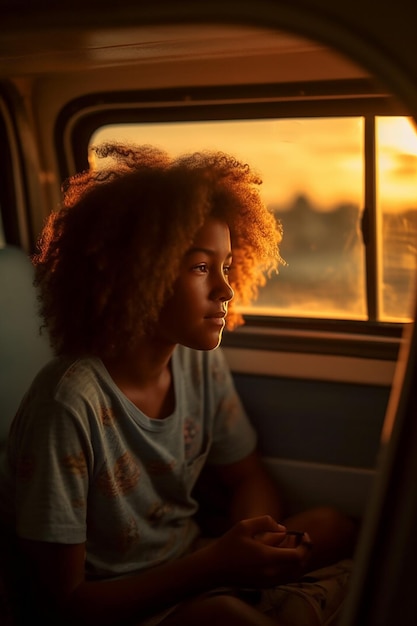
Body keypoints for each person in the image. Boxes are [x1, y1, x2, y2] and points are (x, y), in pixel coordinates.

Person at [0, 143, 357, 626]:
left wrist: (253, 545)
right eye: (201, 267)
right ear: (135, 274)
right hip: (123, 603)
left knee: (332, 527)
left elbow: (247, 476)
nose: (226, 290)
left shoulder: (197, 363)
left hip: (198, 565)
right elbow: (63, 605)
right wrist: (215, 568)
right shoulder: (67, 404)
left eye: (227, 267)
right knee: (228, 617)